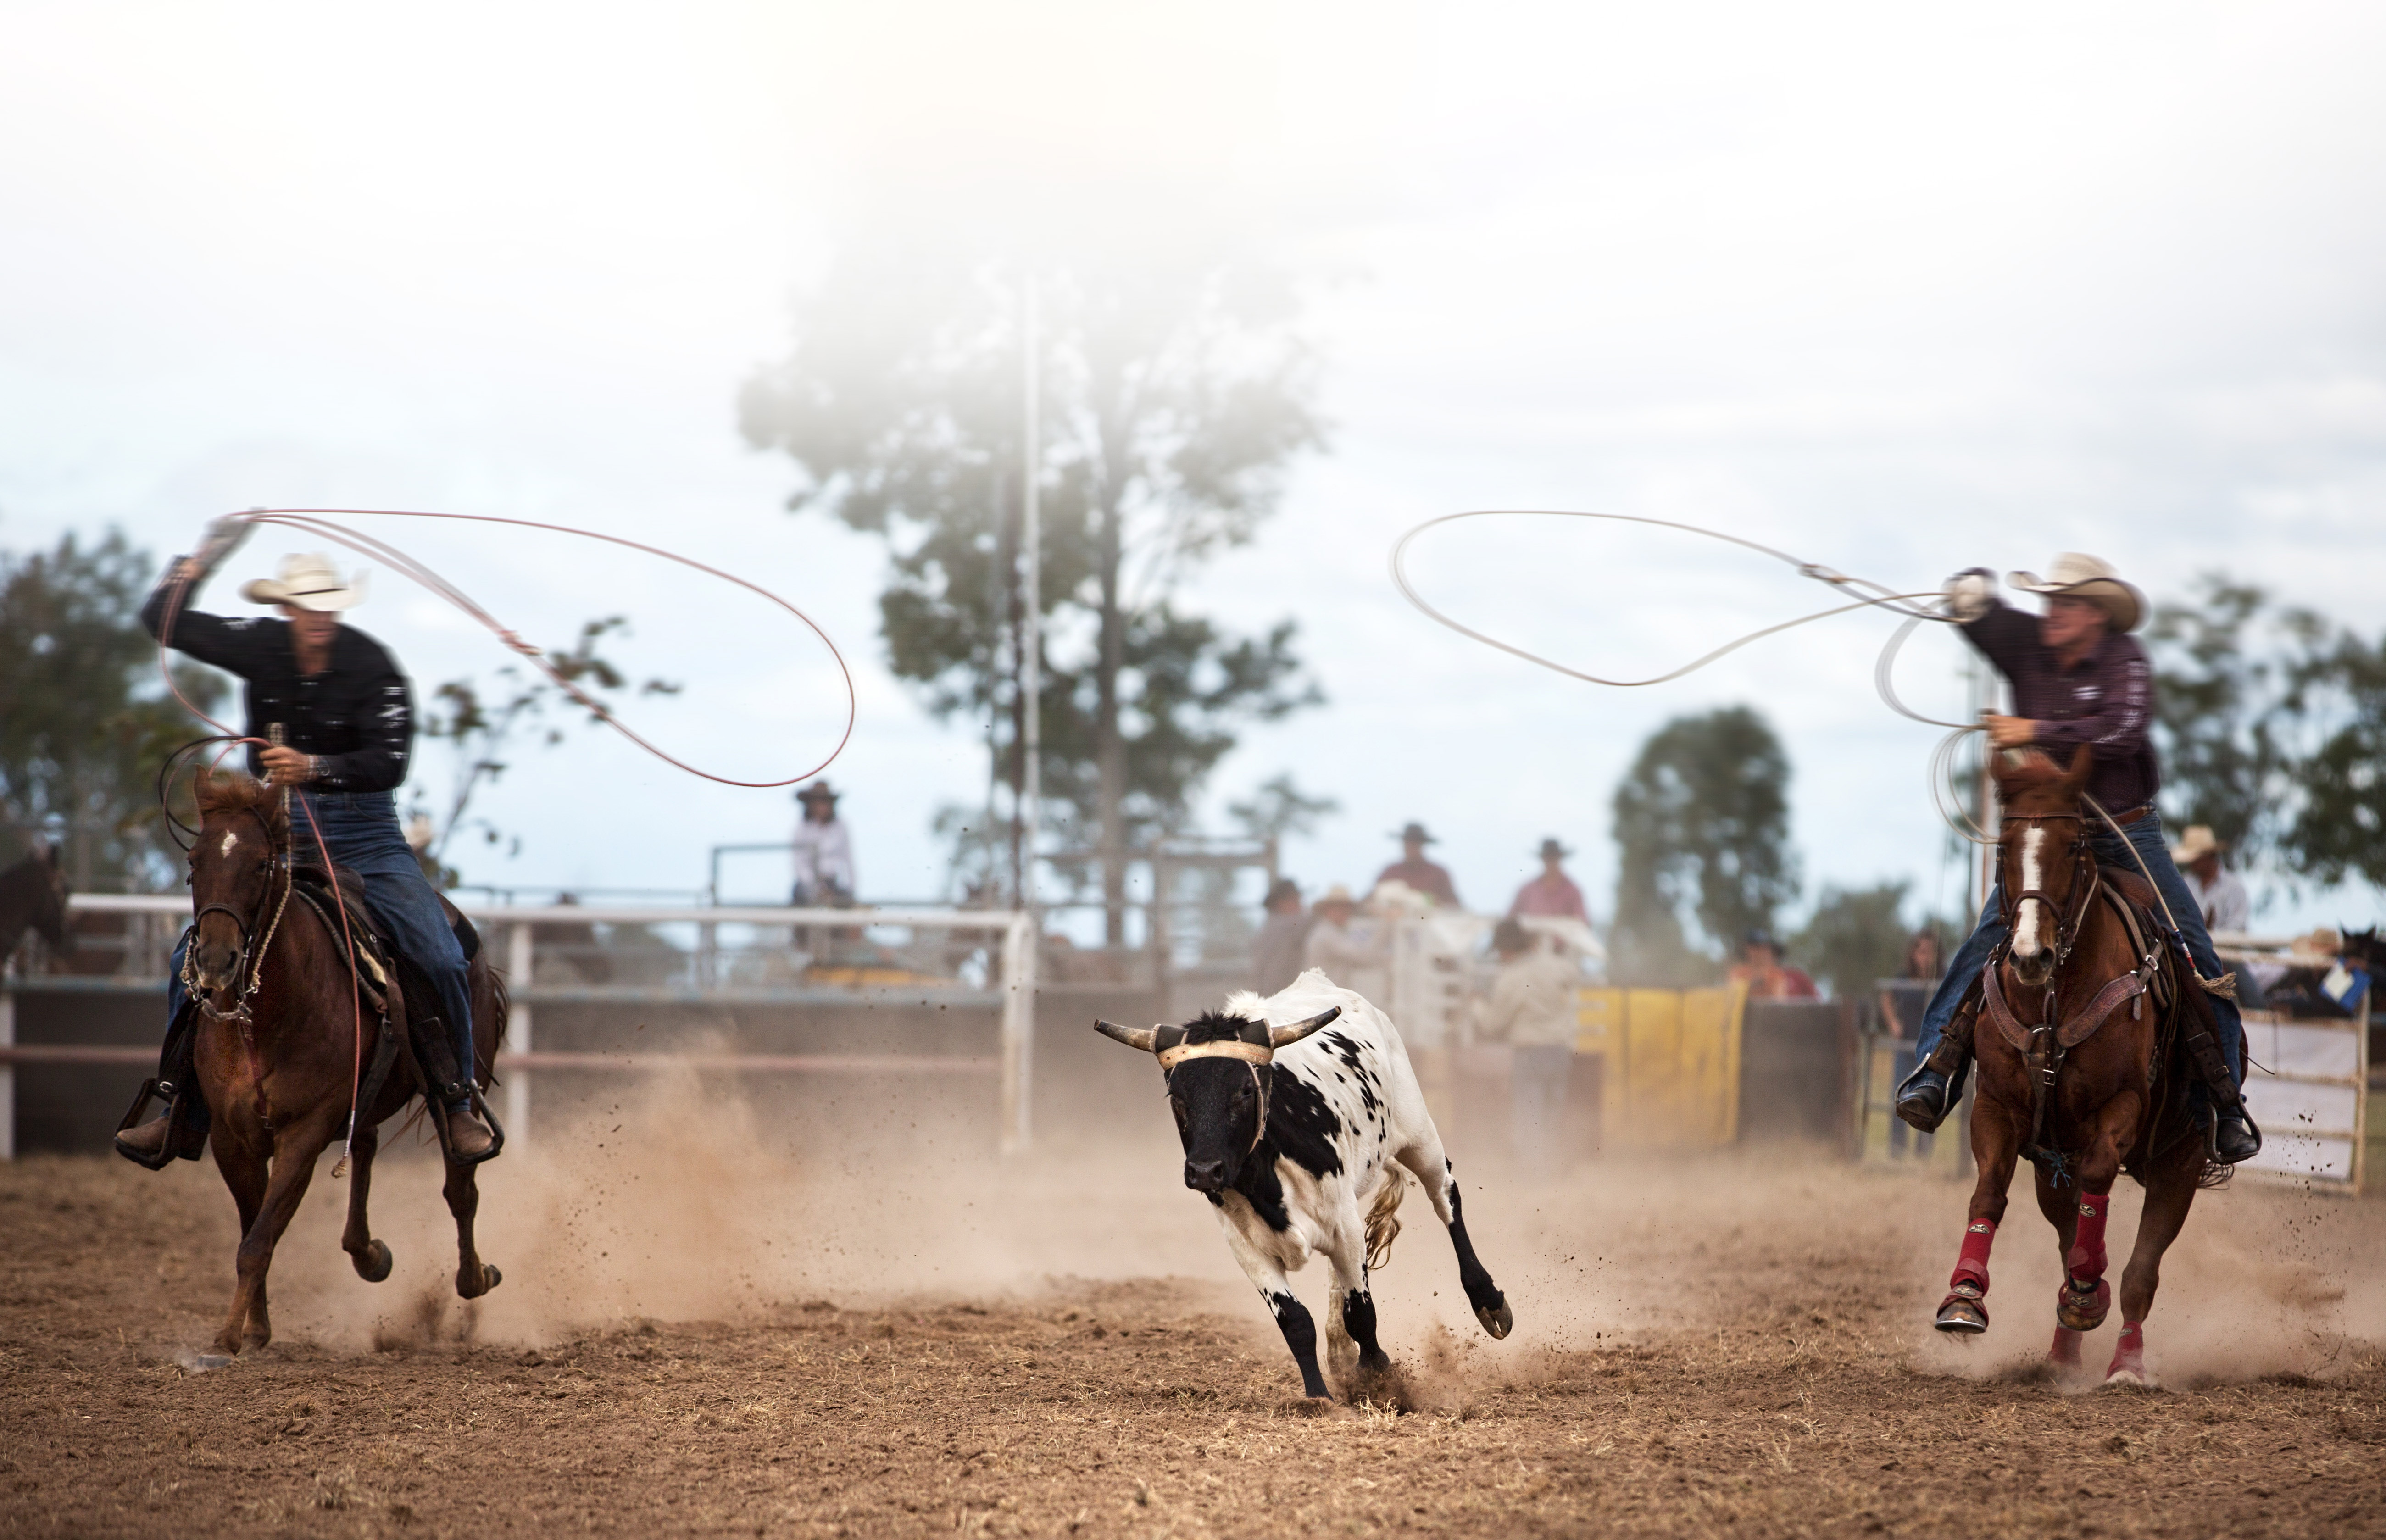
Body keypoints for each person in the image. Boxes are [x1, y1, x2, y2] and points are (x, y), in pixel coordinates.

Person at [117, 539, 495, 1163]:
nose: (318, 619)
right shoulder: (262, 645)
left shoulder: (373, 668)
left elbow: (389, 762)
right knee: (192, 955)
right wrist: (197, 563)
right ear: (287, 609)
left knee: (440, 954)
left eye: (328, 608)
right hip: (281, 833)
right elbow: (165, 621)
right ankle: (180, 1105)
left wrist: (313, 765)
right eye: (306, 607)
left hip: (367, 837)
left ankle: (456, 1101)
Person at [1894, 554, 2259, 1164]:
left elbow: (2122, 729)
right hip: (2049, 831)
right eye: (2051, 602)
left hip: (2124, 830)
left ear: (2095, 615)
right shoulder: (2028, 643)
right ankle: (1936, 1068)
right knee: (1991, 936)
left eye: (2065, 604)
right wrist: (1969, 597)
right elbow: (1983, 617)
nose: (2052, 613)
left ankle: (2223, 1101)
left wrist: (2030, 727)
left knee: (2194, 947)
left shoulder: (2125, 662)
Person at [1478, 917, 1581, 1171]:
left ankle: (1534, 1172)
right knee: (1552, 1113)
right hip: (1560, 1050)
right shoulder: (1556, 966)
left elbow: (1493, 1024)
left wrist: (1476, 1006)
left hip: (1530, 1052)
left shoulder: (1510, 978)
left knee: (1530, 1115)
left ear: (1507, 950)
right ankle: (1553, 1165)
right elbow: (1573, 975)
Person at [1303, 884, 1388, 999]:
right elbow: (1365, 957)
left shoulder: (1333, 932)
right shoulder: (1327, 935)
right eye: (1339, 908)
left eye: (1347, 908)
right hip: (1326, 1000)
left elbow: (1363, 960)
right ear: (1327, 910)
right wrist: (1386, 925)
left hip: (1326, 999)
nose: (1345, 912)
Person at [2172, 825, 2249, 937]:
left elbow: (2238, 928)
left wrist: (2210, 933)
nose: (2192, 863)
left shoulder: (2234, 888)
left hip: (2225, 953)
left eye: (2195, 858)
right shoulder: (2183, 883)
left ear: (2209, 856)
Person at [790, 780, 855, 906]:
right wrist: (816, 886)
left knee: (845, 906)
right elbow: (799, 862)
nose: (821, 806)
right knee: (801, 901)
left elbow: (848, 859)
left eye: (824, 802)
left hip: (833, 883)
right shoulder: (802, 828)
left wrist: (852, 890)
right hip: (807, 884)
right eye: (817, 802)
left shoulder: (840, 827)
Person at [1250, 877, 1311, 995]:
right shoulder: (1280, 926)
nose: (1299, 905)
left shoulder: (1271, 926)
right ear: (1281, 903)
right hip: (1276, 992)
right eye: (1294, 900)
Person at [1374, 822, 1459, 908]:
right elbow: (1372, 898)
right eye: (1408, 844)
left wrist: (1430, 901)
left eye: (1414, 845)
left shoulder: (1438, 873)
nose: (1410, 848)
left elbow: (1454, 905)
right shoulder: (1391, 872)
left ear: (1421, 846)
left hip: (1428, 920)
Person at [1509, 838, 1588, 921]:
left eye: (1553, 858)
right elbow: (1510, 918)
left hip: (1562, 933)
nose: (1550, 863)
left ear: (1559, 859)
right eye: (1548, 858)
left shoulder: (1573, 891)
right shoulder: (1527, 890)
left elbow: (1582, 922)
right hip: (1532, 933)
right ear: (1543, 859)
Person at [1728, 929, 1818, 1000]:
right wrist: (1752, 984)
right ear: (1747, 950)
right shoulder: (1739, 972)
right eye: (1756, 948)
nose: (1760, 953)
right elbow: (1733, 994)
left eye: (1764, 949)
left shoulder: (1788, 975)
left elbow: (1779, 1002)